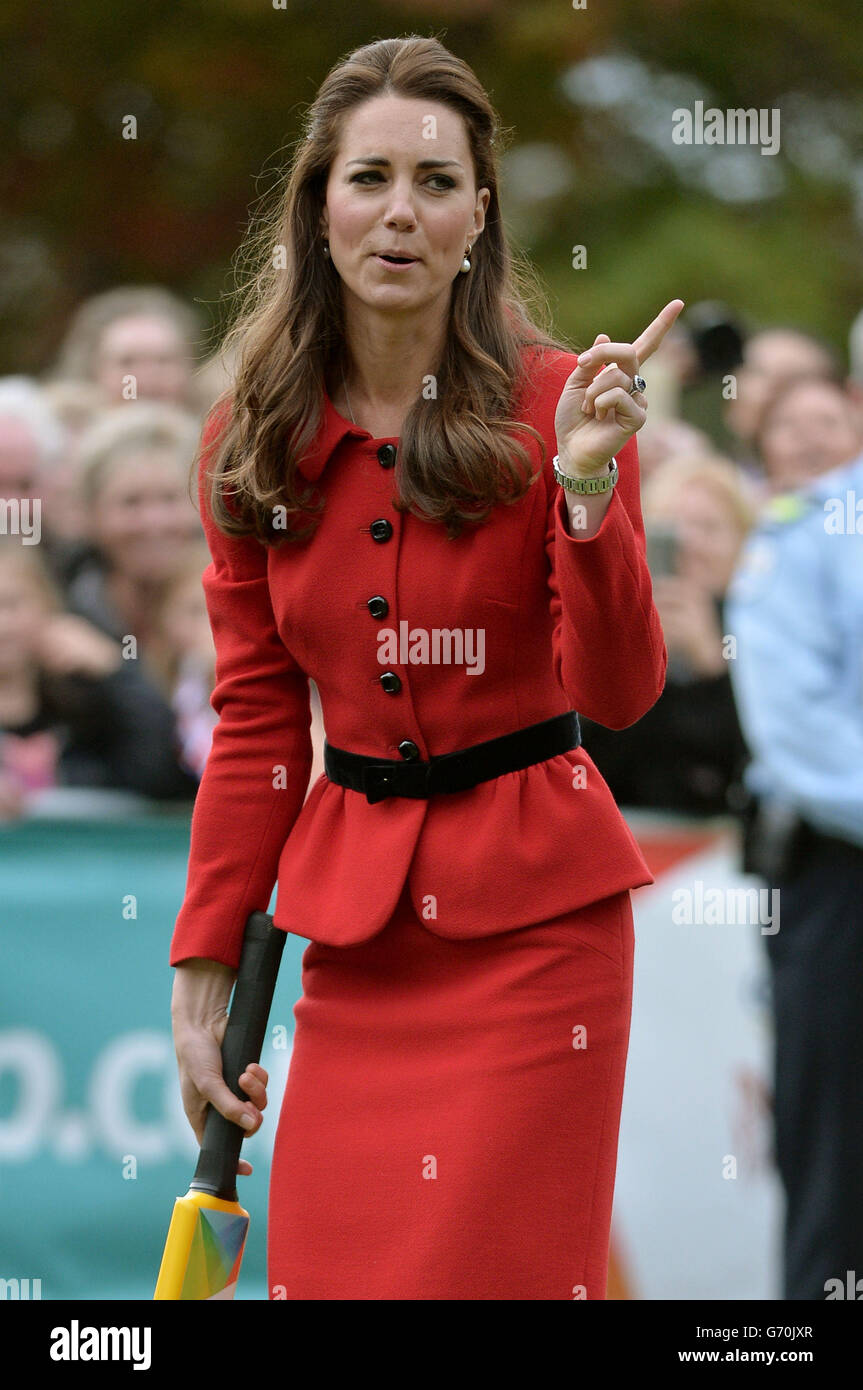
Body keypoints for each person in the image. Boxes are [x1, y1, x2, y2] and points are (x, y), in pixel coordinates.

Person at [168, 34, 681, 1301]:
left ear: (477, 219)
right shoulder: (250, 439)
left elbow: (617, 694)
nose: (401, 211)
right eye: (370, 177)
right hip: (356, 942)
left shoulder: (564, 402)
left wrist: (583, 487)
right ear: (319, 204)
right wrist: (201, 969)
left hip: (536, 939)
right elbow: (254, 724)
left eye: (436, 183)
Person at [726, 374, 863, 1300]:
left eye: (828, 421)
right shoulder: (794, 538)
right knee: (835, 1163)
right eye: (789, 426)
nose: (811, 439)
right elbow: (801, 732)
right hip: (839, 878)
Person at [581, 454, 754, 816]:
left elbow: (757, 757)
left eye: (708, 528)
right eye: (672, 528)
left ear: (743, 542)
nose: (690, 544)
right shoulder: (615, 615)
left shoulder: (763, 625)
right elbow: (591, 752)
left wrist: (713, 669)